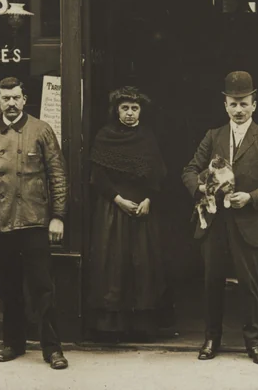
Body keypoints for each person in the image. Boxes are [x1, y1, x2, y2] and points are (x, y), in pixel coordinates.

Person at [182, 71, 258, 365]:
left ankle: (254, 344)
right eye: (233, 104)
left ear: (255, 104)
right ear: (225, 105)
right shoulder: (213, 136)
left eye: (244, 104)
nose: (238, 110)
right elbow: (189, 170)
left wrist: (250, 198)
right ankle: (211, 339)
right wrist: (201, 187)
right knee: (211, 282)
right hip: (215, 223)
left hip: (250, 223)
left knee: (250, 284)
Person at [0, 76, 69, 370]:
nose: (11, 103)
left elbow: (58, 177)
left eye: (16, 98)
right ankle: (13, 343)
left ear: (25, 100)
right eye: (5, 98)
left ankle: (52, 349)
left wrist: (58, 217)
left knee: (42, 287)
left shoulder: (42, 130)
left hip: (34, 222)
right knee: (7, 288)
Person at [87, 86, 168, 340]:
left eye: (134, 108)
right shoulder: (104, 136)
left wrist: (149, 199)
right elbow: (98, 176)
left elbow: (158, 173)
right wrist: (118, 199)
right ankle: (112, 327)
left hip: (142, 209)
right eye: (125, 108)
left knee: (143, 262)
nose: (130, 113)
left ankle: (142, 326)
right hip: (114, 208)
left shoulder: (147, 137)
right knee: (113, 263)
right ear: (116, 110)